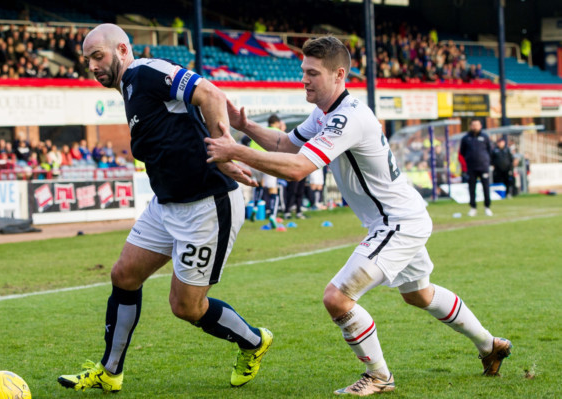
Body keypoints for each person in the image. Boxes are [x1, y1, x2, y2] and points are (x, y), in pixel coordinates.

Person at [206, 36, 511, 396]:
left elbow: (298, 168)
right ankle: (491, 346)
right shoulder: (325, 113)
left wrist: (235, 151)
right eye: (303, 71)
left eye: (313, 73)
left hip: (396, 222)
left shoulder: (348, 117)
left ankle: (380, 376)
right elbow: (286, 145)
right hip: (402, 217)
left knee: (337, 298)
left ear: (339, 74)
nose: (304, 79)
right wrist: (248, 128)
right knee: (419, 294)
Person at [57, 23, 272, 394]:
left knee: (186, 307)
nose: (92, 65)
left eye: (98, 56)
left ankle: (253, 342)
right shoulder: (127, 87)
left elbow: (210, 92)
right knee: (124, 275)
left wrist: (225, 153)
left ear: (123, 51)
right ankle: (110, 372)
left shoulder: (145, 71)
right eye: (87, 59)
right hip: (166, 205)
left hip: (206, 206)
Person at [459, 119, 493, 216]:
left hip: (483, 166)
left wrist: (487, 161)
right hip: (471, 167)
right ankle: (473, 207)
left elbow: (489, 150)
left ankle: (487, 207)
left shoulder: (485, 137)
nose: (475, 127)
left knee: (486, 187)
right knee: (471, 188)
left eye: (477, 125)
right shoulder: (466, 138)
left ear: (480, 126)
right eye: (473, 125)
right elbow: (462, 152)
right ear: (470, 126)